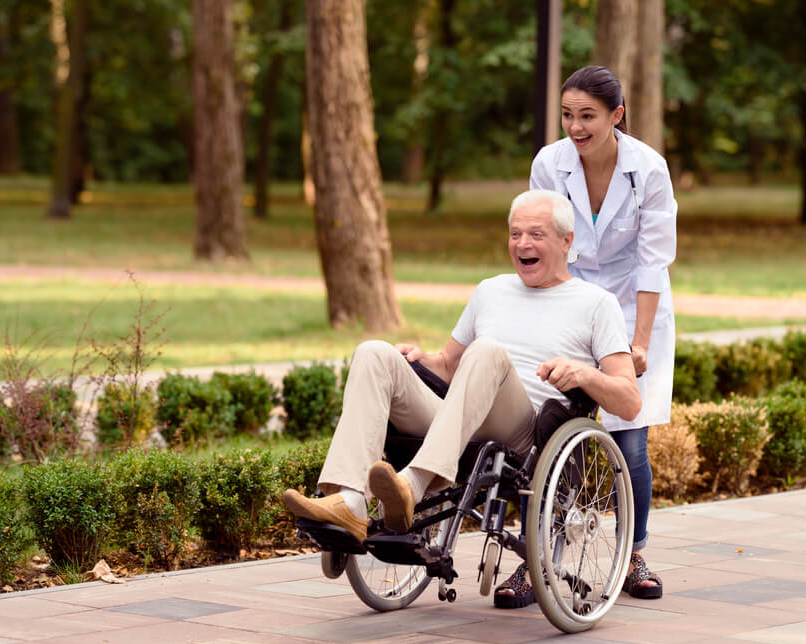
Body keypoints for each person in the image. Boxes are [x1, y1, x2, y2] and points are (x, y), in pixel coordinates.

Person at [282, 191, 641, 598]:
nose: (522, 244)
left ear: (566, 241)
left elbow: (629, 400)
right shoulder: (490, 290)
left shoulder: (597, 304)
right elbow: (450, 365)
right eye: (515, 234)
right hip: (460, 416)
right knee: (374, 353)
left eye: (536, 234)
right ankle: (349, 500)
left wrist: (584, 374)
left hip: (523, 432)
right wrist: (420, 359)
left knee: (487, 351)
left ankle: (412, 486)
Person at [514, 65, 678, 602]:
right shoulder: (550, 163)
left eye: (587, 116)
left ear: (616, 116)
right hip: (571, 303)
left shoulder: (648, 169)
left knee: (630, 442)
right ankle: (537, 560)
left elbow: (653, 263)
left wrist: (639, 345)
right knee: (547, 434)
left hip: (634, 310)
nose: (575, 127)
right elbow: (543, 238)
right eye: (568, 115)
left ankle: (632, 554)